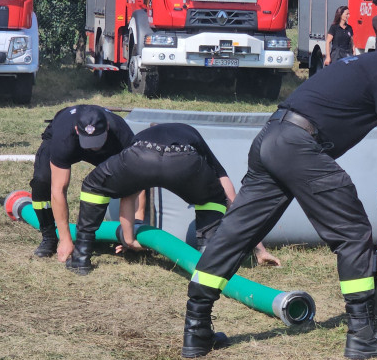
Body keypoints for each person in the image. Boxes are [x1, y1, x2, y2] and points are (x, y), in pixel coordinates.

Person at [181, 32, 377, 360]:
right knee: (354, 232)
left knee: (234, 235)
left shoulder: (367, 64)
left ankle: (195, 329)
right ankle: (363, 335)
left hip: (272, 137)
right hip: (299, 145)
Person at [65, 123, 280, 275]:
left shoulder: (138, 138)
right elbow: (227, 190)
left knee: (93, 186)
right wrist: (258, 248)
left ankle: (82, 256)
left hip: (141, 156)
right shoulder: (191, 133)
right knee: (213, 198)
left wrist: (129, 239)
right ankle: (208, 259)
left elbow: (127, 195)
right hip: (183, 159)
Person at [28, 104, 134, 260]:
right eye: (89, 142)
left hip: (107, 147)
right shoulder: (63, 137)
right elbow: (58, 189)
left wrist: (131, 232)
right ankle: (49, 237)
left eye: (97, 141)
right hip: (68, 140)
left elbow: (136, 185)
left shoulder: (123, 136)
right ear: (78, 130)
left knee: (107, 181)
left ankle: (86, 238)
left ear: (108, 127)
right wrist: (65, 240)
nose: (93, 147)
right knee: (42, 180)